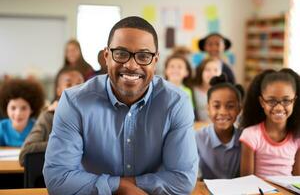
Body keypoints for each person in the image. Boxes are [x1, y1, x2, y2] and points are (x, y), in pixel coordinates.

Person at [43, 16, 198, 195]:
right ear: (107, 56)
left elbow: (183, 181)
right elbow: (58, 179)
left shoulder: (176, 102)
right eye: (121, 54)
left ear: (155, 61)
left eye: (143, 56)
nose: (131, 65)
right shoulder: (73, 101)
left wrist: (108, 185)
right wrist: (121, 187)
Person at [240, 69, 300, 178]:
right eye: (271, 101)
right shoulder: (250, 135)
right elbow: (246, 182)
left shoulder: (297, 137)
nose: (278, 107)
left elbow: (297, 181)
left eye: (286, 101)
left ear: (294, 101)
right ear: (262, 102)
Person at [19, 67, 84, 166]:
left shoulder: (92, 116)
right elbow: (25, 154)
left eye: (80, 84)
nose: (75, 88)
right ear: (58, 91)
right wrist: (63, 142)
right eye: (68, 84)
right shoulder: (49, 116)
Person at [195, 75, 243, 179]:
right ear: (208, 109)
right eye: (216, 106)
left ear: (239, 109)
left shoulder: (245, 139)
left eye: (230, 106)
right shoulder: (197, 137)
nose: (222, 112)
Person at [0, 79, 45, 147]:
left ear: (32, 109)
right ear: (6, 107)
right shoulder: (2, 127)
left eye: (23, 108)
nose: (18, 113)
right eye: (13, 108)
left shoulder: (37, 128)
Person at [193, 58, 222, 122]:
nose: (212, 73)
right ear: (201, 72)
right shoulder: (193, 91)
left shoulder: (225, 92)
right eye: (208, 70)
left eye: (216, 70)